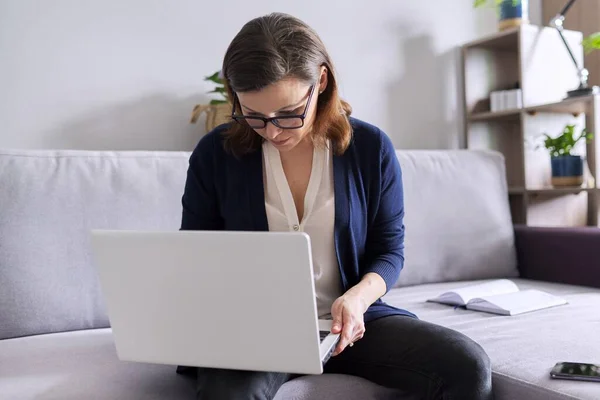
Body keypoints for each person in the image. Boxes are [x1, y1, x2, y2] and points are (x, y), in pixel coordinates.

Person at [179, 12, 493, 400]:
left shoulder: (371, 148)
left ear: (321, 82)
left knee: (468, 366)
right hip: (257, 332)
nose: (273, 131)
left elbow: (389, 250)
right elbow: (194, 254)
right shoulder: (215, 154)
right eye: (255, 117)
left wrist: (357, 298)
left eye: (290, 114)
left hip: (353, 324)